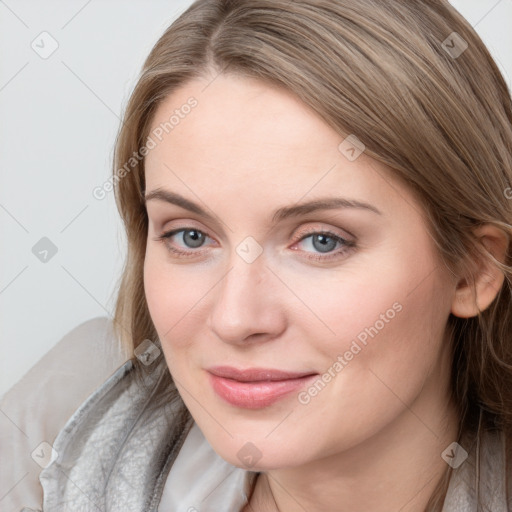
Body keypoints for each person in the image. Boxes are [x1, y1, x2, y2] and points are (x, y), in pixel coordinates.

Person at [7, 0, 512, 510]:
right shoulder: (62, 413)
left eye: (322, 241)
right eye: (190, 236)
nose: (235, 319)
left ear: (472, 269)